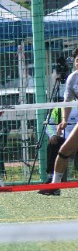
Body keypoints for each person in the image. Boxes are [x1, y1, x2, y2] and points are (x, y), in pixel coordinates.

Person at [40, 50, 78, 196]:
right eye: (77, 60)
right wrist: (64, 120)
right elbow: (67, 102)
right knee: (63, 151)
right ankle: (55, 186)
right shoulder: (72, 79)